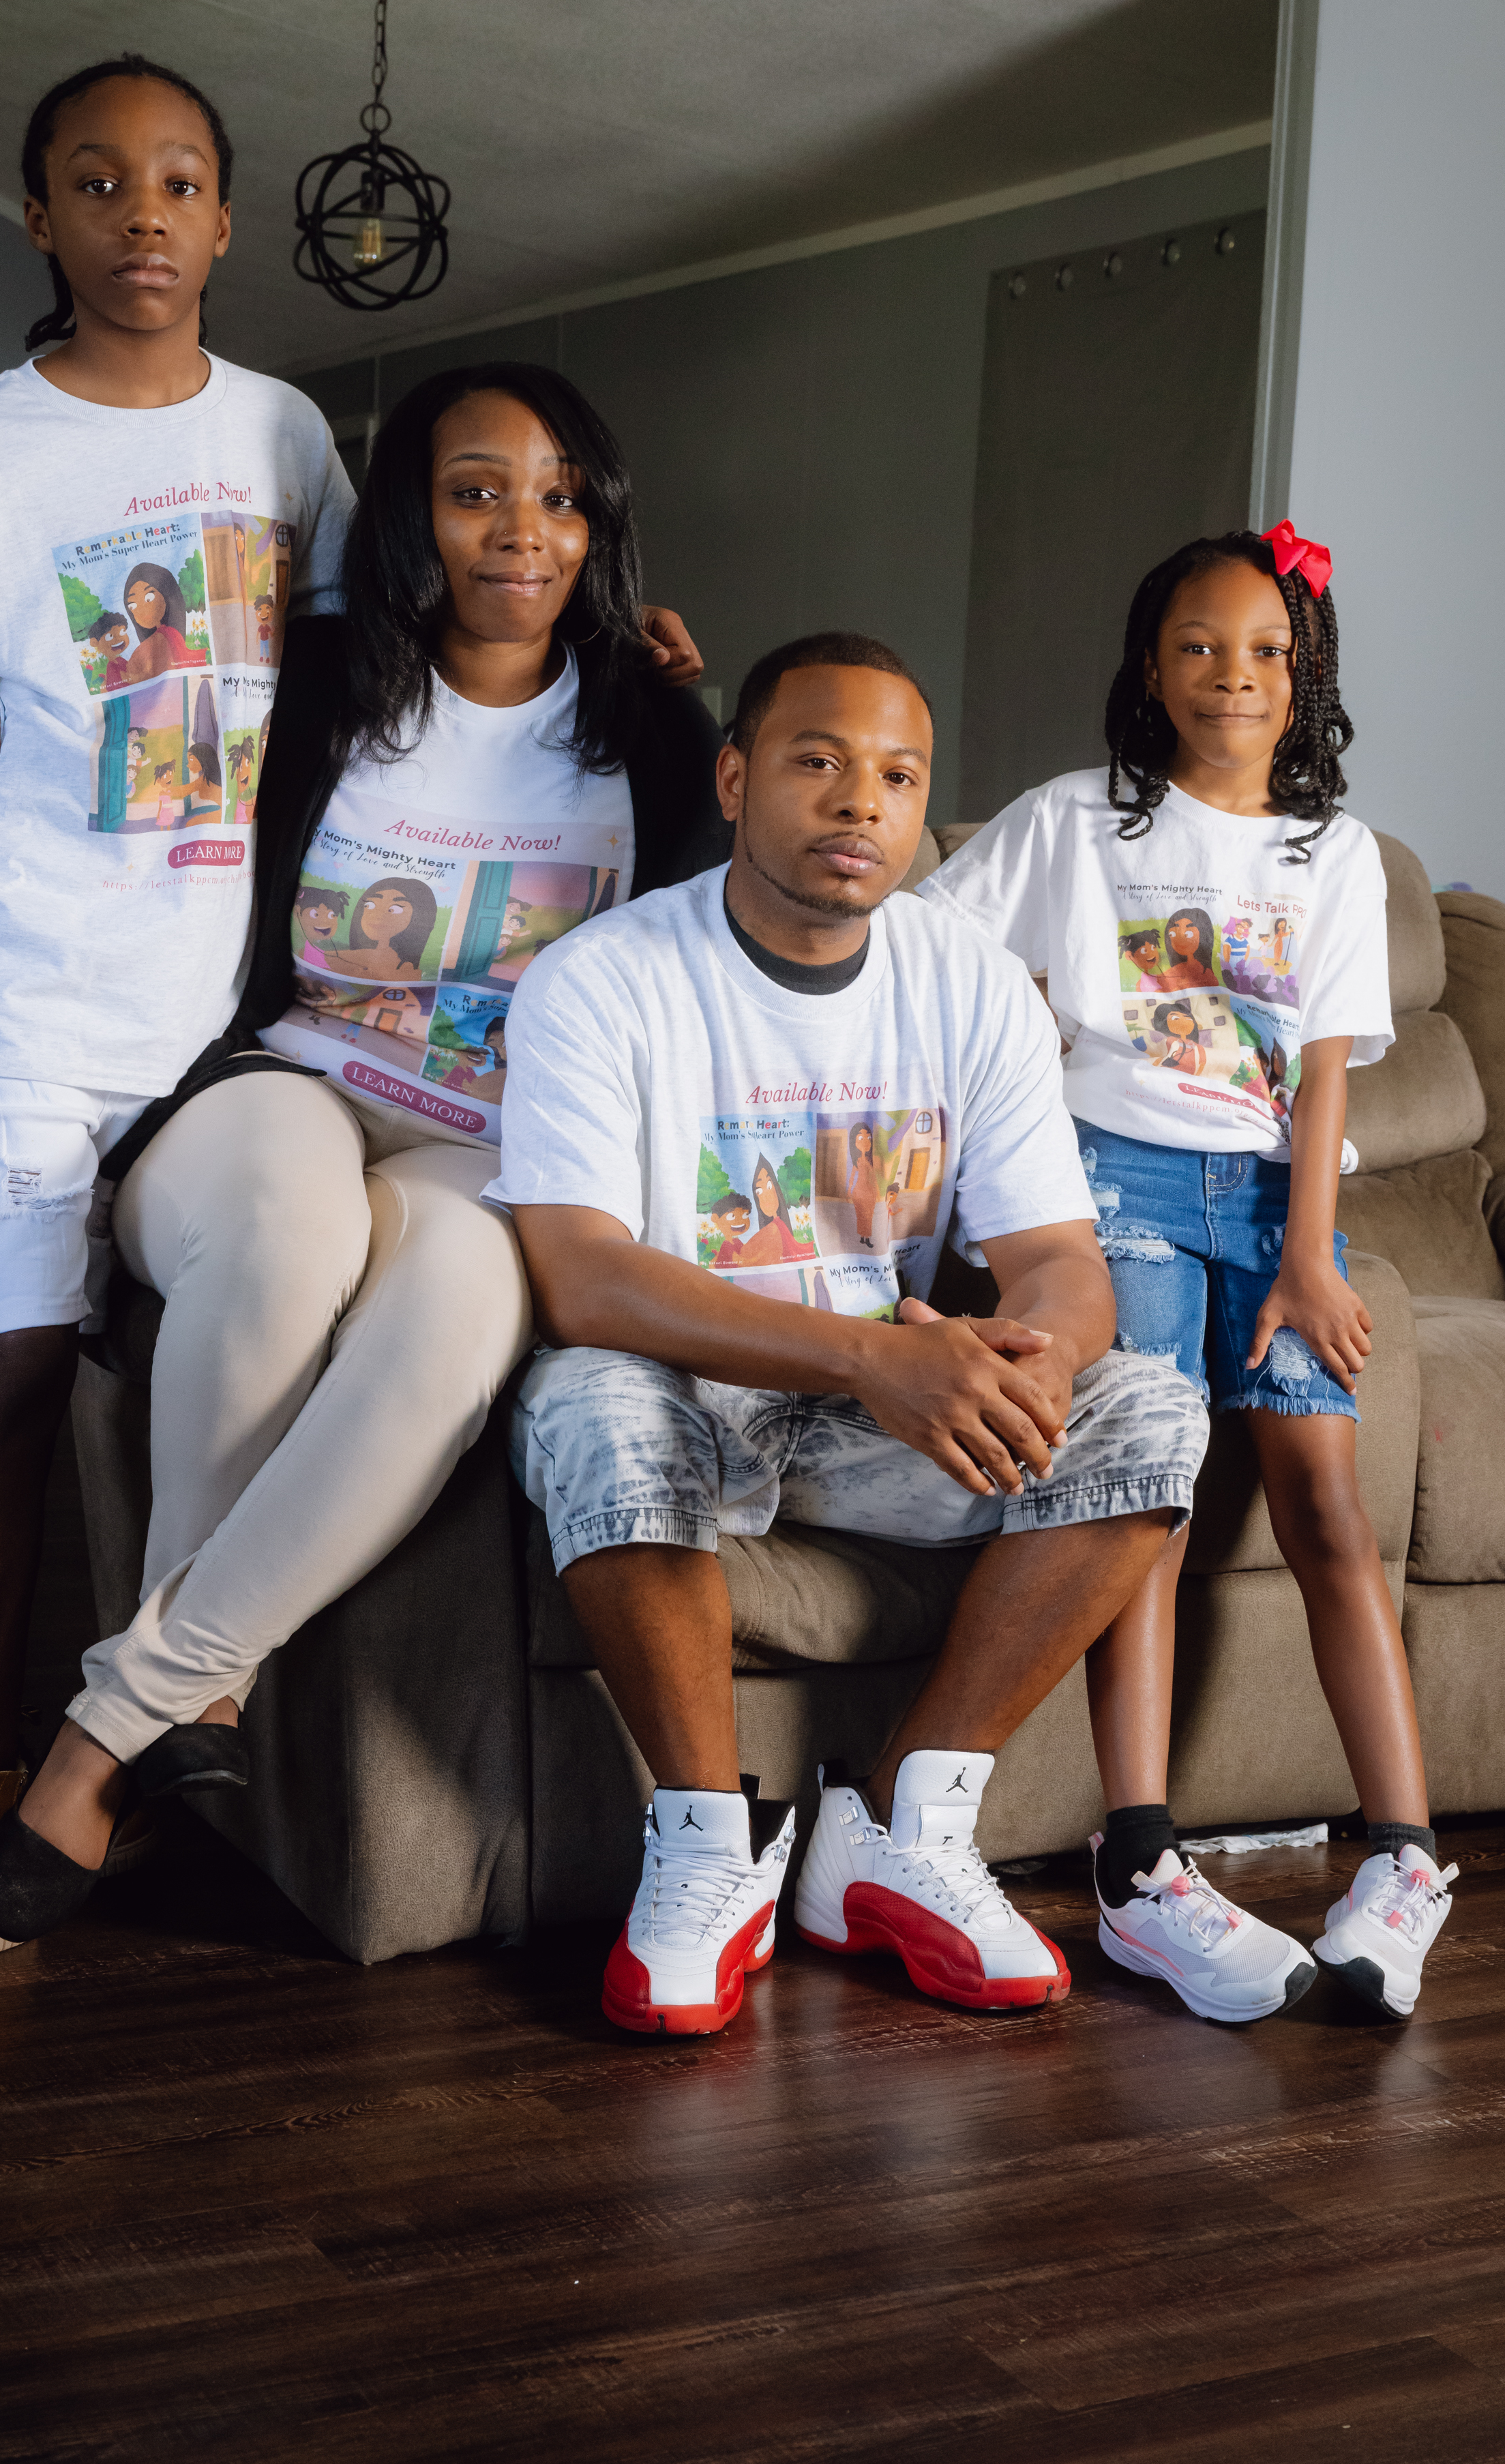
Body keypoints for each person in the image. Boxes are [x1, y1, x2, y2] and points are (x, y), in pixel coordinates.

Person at [0, 363, 727, 1945]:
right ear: (410, 518)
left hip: (496, 1132)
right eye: (475, 490)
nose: (523, 529)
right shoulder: (305, 681)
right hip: (281, 1080)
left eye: (562, 497)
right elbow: (117, 720)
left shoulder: (652, 722)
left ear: (601, 524)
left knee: (459, 1299)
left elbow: (705, 946)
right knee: (290, 1228)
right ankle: (165, 1712)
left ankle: (133, 1712)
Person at [0, 50, 360, 2004]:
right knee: (13, 1375)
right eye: (98, 182)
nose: (142, 215)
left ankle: (38, 1732)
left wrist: (623, 657)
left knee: (226, 1337)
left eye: (179, 179)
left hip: (226, 1024)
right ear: (39, 218)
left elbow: (364, 679)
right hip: (25, 997)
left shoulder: (287, 435)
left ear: (226, 217)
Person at [490, 632, 1210, 2036]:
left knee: (1146, 1410)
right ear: (734, 777)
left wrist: (1028, 1362)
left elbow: (1059, 1263)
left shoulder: (969, 980)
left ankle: (902, 1829)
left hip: (879, 1420)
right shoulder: (603, 976)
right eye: (817, 761)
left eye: (897, 776)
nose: (859, 803)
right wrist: (871, 1355)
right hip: (687, 1387)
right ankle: (705, 1845)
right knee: (585, 1393)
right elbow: (581, 1275)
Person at [922, 524, 1458, 2021]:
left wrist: (1308, 1258)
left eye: (1267, 650)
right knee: (1145, 1491)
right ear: (1150, 671)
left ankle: (1403, 1858)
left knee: (1325, 1500)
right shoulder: (1072, 821)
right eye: (1200, 647)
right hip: (1114, 1187)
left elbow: (1324, 1071)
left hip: (1276, 1198)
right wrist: (1020, 1079)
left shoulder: (1335, 853)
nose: (1234, 674)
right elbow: (932, 952)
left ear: (1304, 675)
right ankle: (1140, 1858)